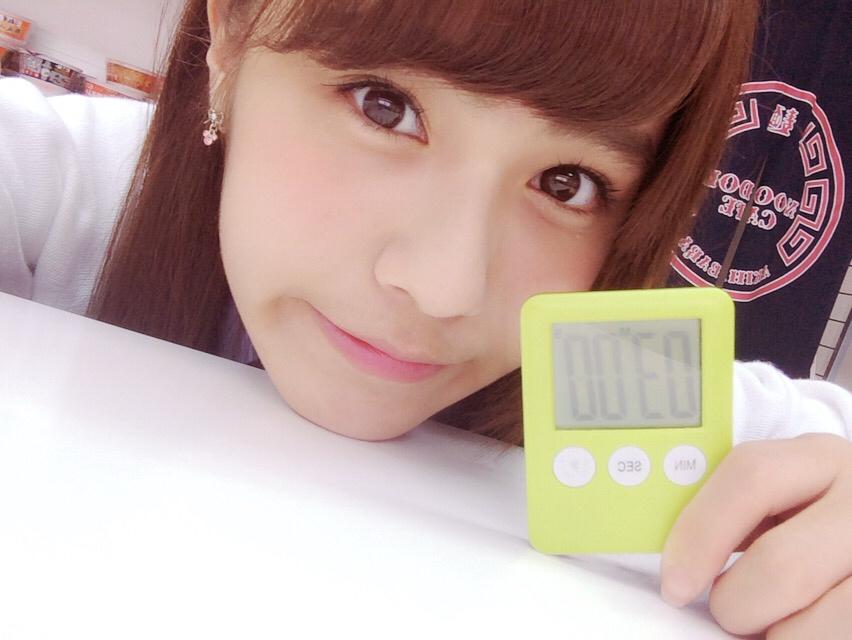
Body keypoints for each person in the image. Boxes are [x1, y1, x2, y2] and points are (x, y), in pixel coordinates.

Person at [0, 1, 850, 636]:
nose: (448, 287)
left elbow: (817, 446)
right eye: (384, 106)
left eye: (566, 184)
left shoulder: (600, 389)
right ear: (231, 32)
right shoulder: (58, 192)